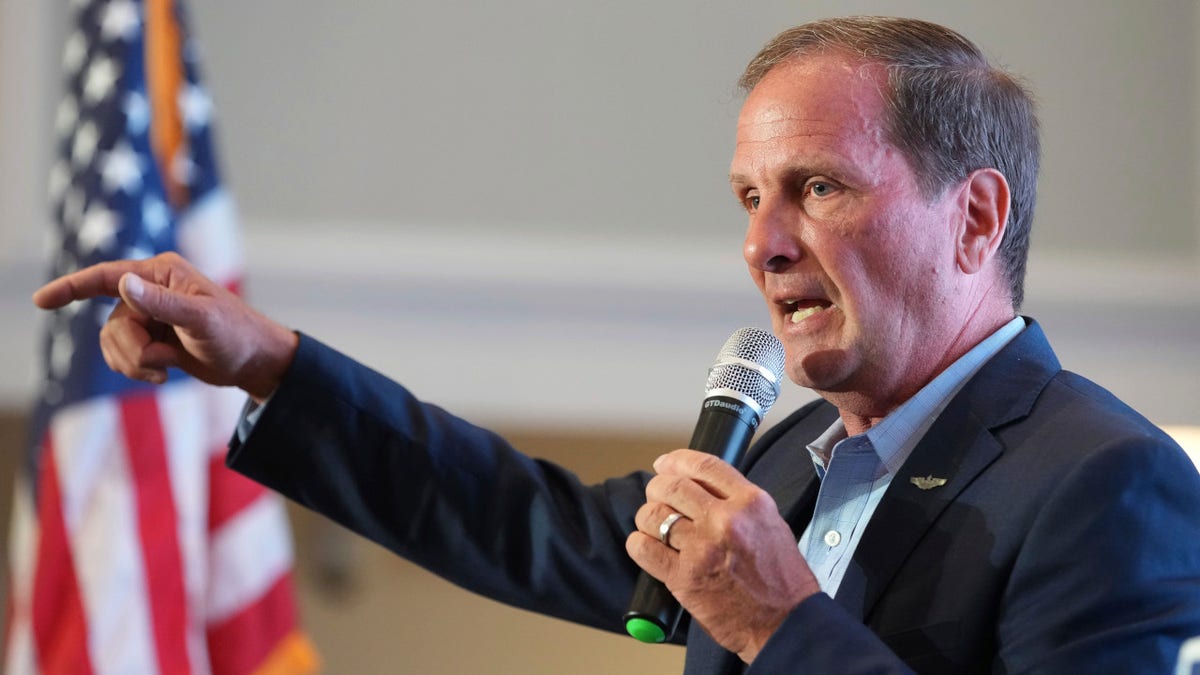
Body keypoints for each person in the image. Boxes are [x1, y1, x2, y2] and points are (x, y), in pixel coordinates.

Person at [32, 16, 1200, 674]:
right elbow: (509, 517)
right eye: (747, 195)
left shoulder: (1104, 480)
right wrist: (267, 365)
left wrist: (778, 628)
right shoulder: (790, 459)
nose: (764, 243)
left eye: (817, 188)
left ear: (978, 218)